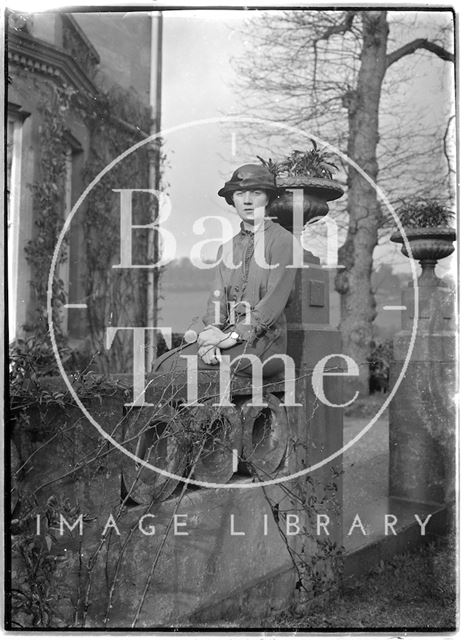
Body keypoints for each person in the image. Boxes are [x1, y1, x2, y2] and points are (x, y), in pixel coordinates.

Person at [152, 163, 298, 380]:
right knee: (162, 366)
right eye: (240, 194)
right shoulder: (227, 248)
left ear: (268, 198)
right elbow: (216, 301)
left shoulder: (283, 242)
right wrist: (211, 337)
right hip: (225, 340)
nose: (247, 200)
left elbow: (272, 304)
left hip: (265, 346)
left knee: (177, 370)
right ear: (233, 200)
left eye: (256, 193)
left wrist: (231, 336)